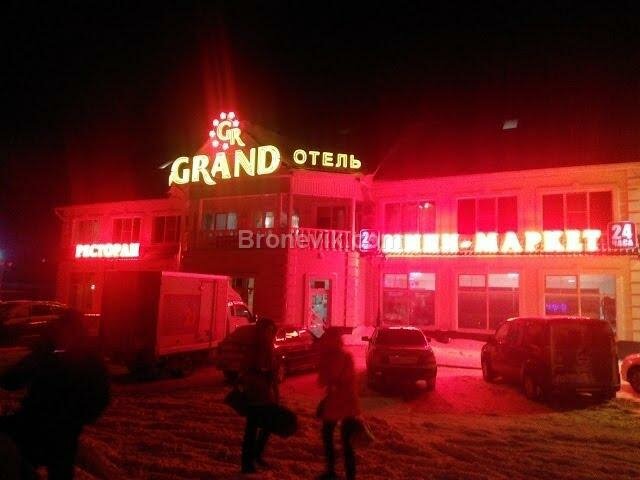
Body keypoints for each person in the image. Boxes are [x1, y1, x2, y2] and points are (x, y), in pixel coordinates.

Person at [0, 309, 110, 480]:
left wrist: (73, 418)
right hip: (32, 426)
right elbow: (11, 381)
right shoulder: (48, 356)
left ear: (76, 333)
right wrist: (39, 354)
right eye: (59, 330)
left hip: (61, 433)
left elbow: (99, 398)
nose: (61, 335)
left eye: (66, 330)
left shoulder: (89, 362)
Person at [317, 328, 361, 480]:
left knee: (331, 437)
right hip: (346, 403)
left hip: (341, 402)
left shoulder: (330, 359)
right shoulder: (345, 357)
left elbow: (323, 381)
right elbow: (328, 380)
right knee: (344, 441)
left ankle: (332, 471)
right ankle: (347, 475)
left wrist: (329, 375)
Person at [240, 317, 279, 474]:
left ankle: (256, 455)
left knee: (267, 426)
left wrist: (275, 390)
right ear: (260, 331)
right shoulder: (254, 348)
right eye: (267, 330)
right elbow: (248, 368)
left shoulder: (269, 346)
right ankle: (247, 462)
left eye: (271, 330)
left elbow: (272, 370)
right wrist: (263, 373)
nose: (269, 333)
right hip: (255, 394)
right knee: (252, 429)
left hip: (266, 394)